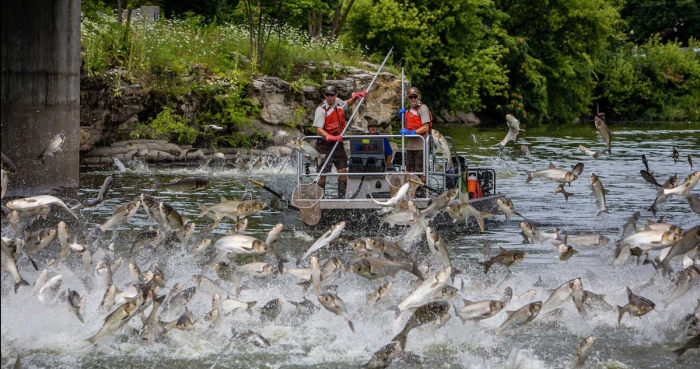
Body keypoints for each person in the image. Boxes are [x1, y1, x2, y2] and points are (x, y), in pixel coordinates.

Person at [313, 85, 368, 198]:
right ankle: (320, 198)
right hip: (324, 144)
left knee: (342, 170)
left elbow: (347, 104)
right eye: (327, 95)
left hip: (337, 143)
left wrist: (356, 97)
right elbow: (318, 129)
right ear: (324, 95)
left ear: (336, 95)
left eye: (332, 95)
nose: (329, 97)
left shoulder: (338, 102)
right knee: (323, 174)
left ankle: (341, 197)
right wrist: (329, 137)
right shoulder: (321, 109)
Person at [398, 86, 432, 182]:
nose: (413, 99)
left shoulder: (423, 108)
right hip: (411, 147)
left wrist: (412, 132)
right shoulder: (408, 111)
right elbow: (408, 125)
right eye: (411, 97)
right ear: (408, 98)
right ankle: (411, 192)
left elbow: (426, 127)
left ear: (418, 96)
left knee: (422, 171)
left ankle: (424, 192)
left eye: (415, 97)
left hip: (421, 146)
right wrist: (402, 118)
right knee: (409, 171)